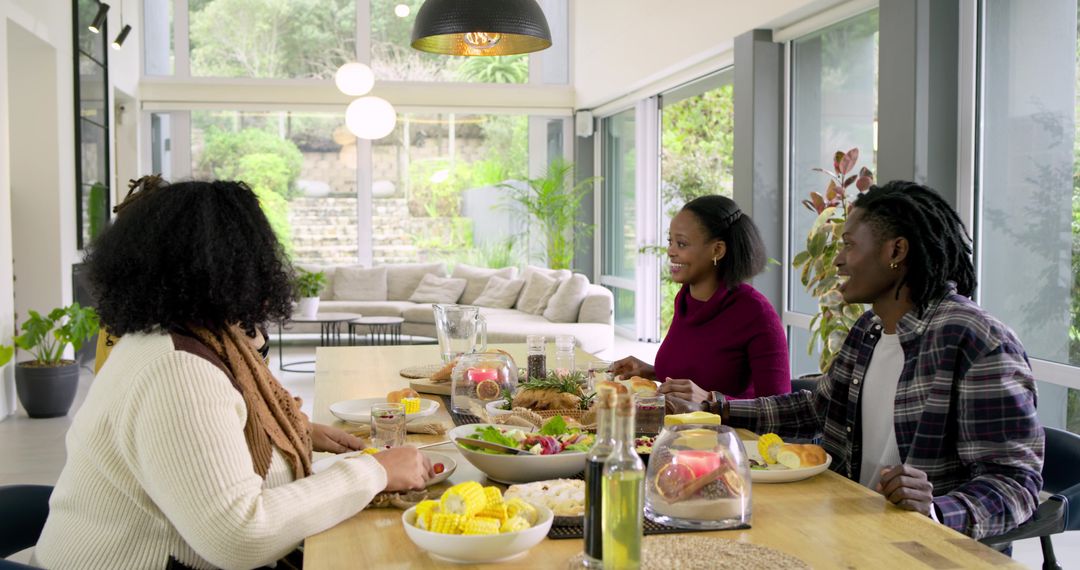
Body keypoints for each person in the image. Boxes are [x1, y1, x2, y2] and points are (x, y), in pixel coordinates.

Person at [36, 180, 431, 569]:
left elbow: (206, 435)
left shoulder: (170, 337)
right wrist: (373, 471)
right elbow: (241, 535)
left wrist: (293, 428)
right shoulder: (178, 370)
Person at [701, 181, 1043, 540]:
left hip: (922, 551)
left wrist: (935, 509)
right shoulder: (870, 329)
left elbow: (1015, 482)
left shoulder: (977, 340)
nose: (837, 259)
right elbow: (817, 408)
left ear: (895, 251)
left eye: (849, 245)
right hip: (846, 528)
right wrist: (715, 408)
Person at [612, 195, 790, 404]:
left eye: (682, 243)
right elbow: (696, 375)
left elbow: (782, 409)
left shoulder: (756, 313)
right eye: (670, 241)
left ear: (717, 250)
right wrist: (650, 372)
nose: (670, 251)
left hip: (731, 436)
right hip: (679, 432)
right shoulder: (685, 300)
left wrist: (711, 401)